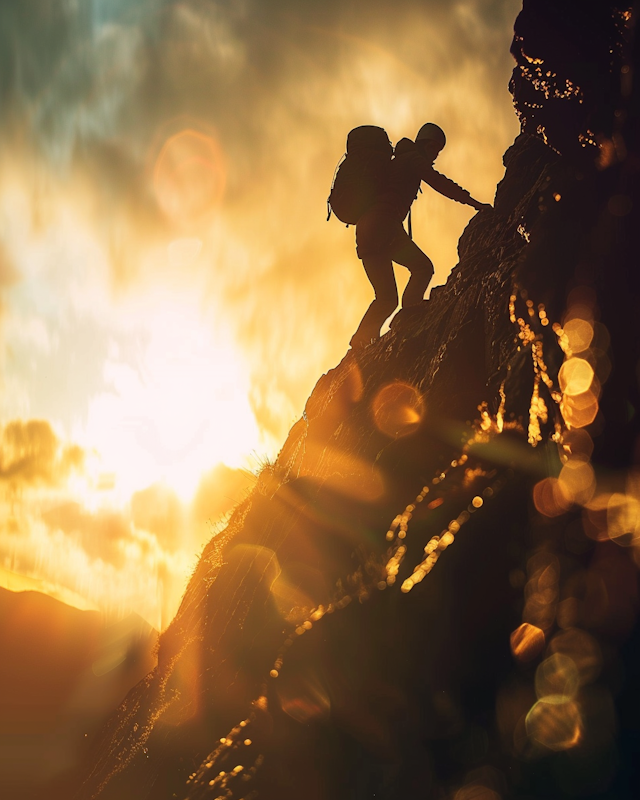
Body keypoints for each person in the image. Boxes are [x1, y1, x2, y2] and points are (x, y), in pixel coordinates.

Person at [350, 123, 491, 349]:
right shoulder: (412, 159)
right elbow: (439, 182)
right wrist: (473, 202)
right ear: (428, 144)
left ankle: (361, 342)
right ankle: (411, 312)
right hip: (384, 225)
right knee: (423, 267)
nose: (435, 156)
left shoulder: (398, 161)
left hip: (365, 229)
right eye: (436, 149)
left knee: (386, 298)